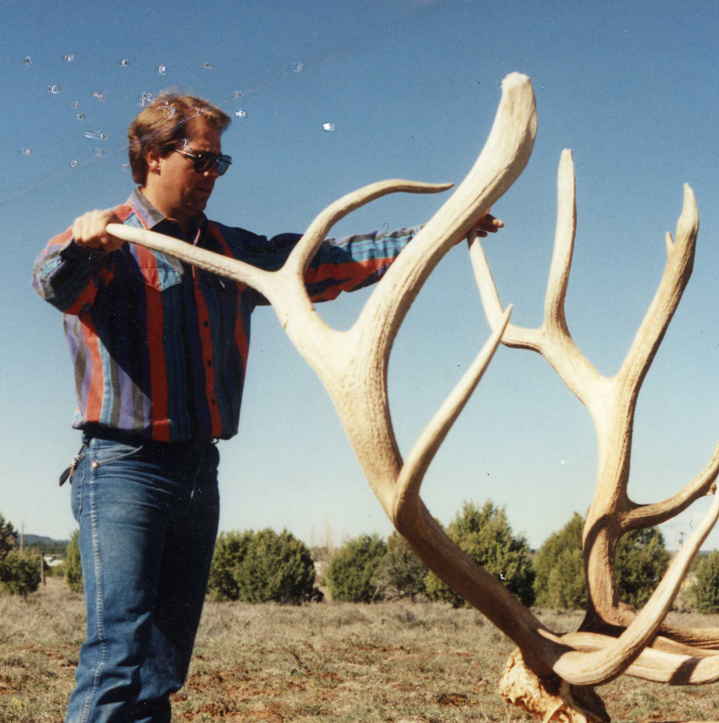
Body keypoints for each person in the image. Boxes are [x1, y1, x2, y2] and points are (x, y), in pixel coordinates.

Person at [32, 91, 502, 723]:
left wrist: (438, 234)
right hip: (123, 469)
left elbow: (325, 262)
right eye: (201, 160)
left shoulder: (232, 249)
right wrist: (88, 244)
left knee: (161, 670)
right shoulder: (107, 238)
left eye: (219, 165)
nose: (211, 176)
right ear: (149, 157)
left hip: (199, 472)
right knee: (118, 657)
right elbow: (55, 283)